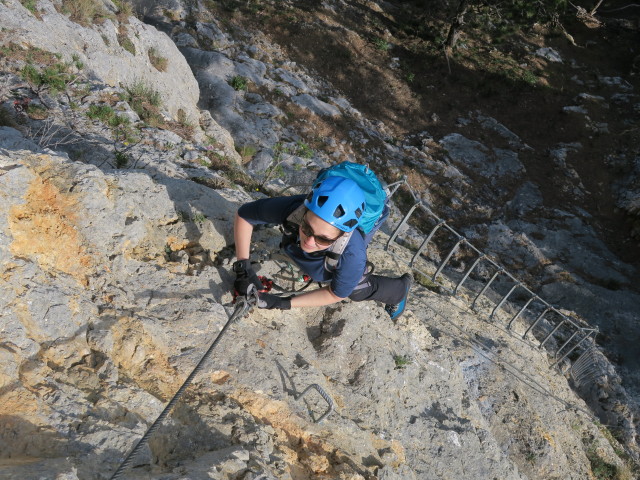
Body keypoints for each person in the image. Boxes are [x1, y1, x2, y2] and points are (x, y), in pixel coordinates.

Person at [232, 175, 412, 319]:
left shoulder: (352, 253)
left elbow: (336, 294)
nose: (309, 241)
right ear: (304, 214)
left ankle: (399, 290)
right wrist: (244, 267)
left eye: (323, 239)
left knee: (356, 289)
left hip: (369, 220)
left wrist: (283, 303)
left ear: (343, 235)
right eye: (307, 228)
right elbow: (245, 215)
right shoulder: (295, 209)